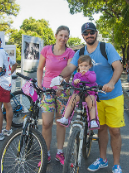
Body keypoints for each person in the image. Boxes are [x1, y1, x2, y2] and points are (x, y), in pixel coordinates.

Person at [53, 22, 124, 173]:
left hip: (112, 95)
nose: (89, 35)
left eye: (91, 32)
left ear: (96, 33)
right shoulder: (80, 52)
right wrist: (59, 78)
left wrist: (111, 83)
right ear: (82, 36)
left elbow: (118, 67)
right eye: (86, 33)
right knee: (101, 129)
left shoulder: (107, 48)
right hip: (93, 95)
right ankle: (103, 160)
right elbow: (71, 68)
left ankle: (116, 164)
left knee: (115, 131)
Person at [37, 25, 75, 166]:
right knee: (46, 123)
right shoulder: (47, 49)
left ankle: (60, 152)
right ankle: (45, 153)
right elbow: (40, 68)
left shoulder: (70, 52)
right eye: (61, 35)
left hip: (63, 90)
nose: (63, 38)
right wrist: (40, 84)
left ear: (68, 38)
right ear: (56, 35)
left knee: (60, 122)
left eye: (66, 36)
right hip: (47, 90)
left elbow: (69, 70)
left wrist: (62, 85)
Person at [57, 55, 99, 130]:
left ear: (90, 66)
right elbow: (73, 84)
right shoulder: (77, 75)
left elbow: (93, 80)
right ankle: (65, 118)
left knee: (92, 103)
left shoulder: (92, 73)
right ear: (78, 66)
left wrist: (86, 73)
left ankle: (93, 120)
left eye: (86, 66)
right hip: (79, 93)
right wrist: (75, 82)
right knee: (71, 100)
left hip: (89, 93)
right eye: (81, 65)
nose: (83, 68)